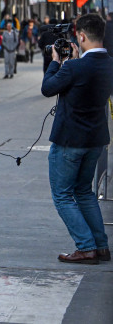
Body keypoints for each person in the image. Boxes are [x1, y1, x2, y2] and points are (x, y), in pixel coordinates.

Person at [41, 13, 112, 264]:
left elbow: (47, 88)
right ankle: (101, 246)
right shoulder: (109, 63)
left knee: (62, 194)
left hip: (70, 140)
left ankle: (86, 246)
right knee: (84, 192)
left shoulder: (73, 66)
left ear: (81, 36)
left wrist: (55, 61)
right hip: (96, 139)